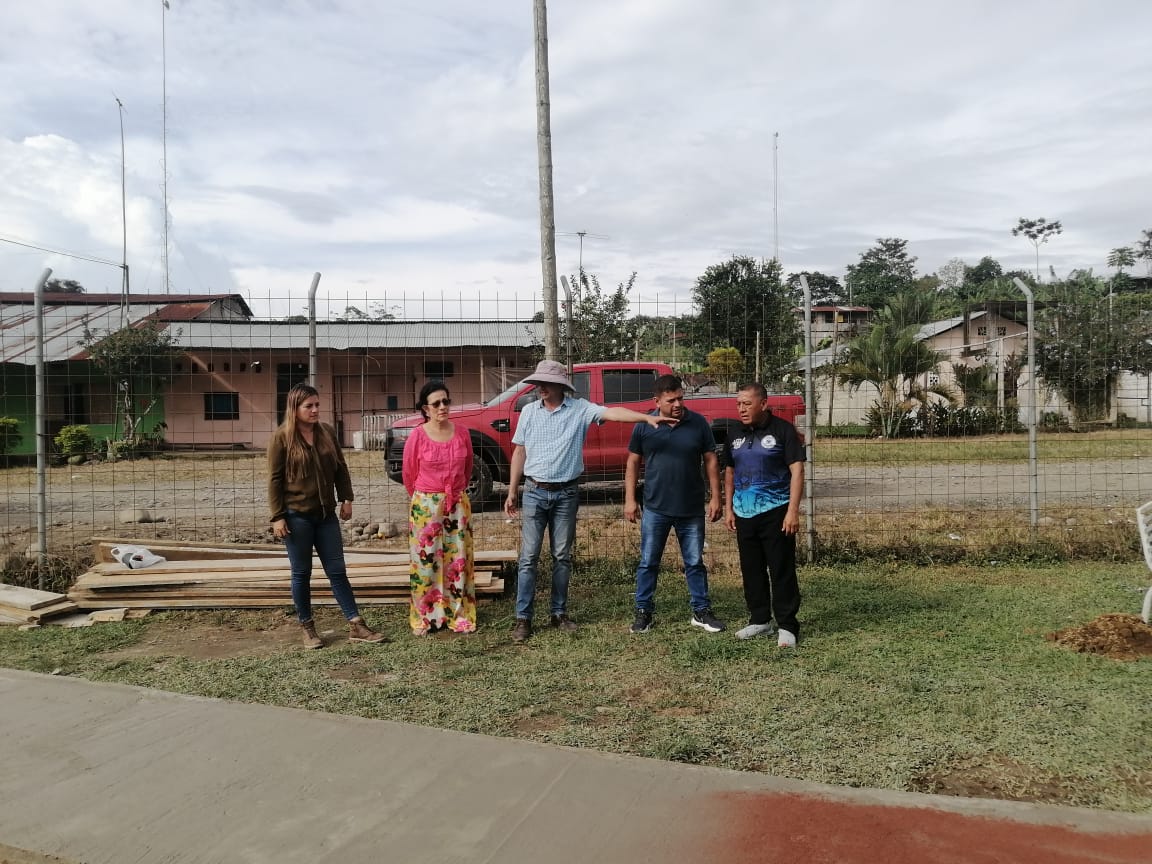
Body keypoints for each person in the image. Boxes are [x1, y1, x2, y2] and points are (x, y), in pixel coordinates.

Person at [503, 359, 678, 642]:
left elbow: (613, 413)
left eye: (546, 383)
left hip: (566, 493)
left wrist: (646, 418)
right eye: (537, 383)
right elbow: (519, 452)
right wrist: (513, 490)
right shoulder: (529, 413)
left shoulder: (580, 409)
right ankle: (523, 618)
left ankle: (559, 613)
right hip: (534, 491)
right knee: (528, 558)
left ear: (560, 386)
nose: (540, 388)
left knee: (562, 556)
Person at [268, 383, 386, 649]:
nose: (314, 410)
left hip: (326, 516)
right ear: (295, 408)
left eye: (317, 405)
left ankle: (356, 623)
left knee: (337, 570)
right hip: (296, 517)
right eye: (308, 406)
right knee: (301, 573)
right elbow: (274, 480)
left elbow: (341, 468)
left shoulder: (326, 433)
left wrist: (346, 499)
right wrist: (277, 516)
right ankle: (307, 627)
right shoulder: (281, 438)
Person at [624, 374, 726, 634]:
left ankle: (701, 611)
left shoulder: (698, 423)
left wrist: (716, 497)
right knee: (648, 562)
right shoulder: (645, 425)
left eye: (680, 398)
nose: (678, 404)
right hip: (655, 508)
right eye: (671, 401)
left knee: (694, 562)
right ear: (657, 401)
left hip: (691, 508)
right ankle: (644, 612)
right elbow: (633, 462)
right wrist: (630, 499)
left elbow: (711, 460)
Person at [722, 381, 805, 647]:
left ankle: (787, 625)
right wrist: (729, 508)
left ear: (763, 404)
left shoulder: (783, 430)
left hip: (776, 511)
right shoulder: (734, 433)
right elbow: (730, 472)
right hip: (744, 513)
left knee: (781, 569)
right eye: (738, 404)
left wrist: (792, 511)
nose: (741, 409)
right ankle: (759, 620)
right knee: (751, 569)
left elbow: (797, 471)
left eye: (747, 404)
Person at [402, 380, 477, 635]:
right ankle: (427, 615)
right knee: (426, 560)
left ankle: (458, 614)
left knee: (458, 559)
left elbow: (467, 468)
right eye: (436, 403)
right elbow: (409, 474)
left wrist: (455, 493)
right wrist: (427, 500)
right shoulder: (417, 436)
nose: (443, 407)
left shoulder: (462, 433)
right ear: (425, 408)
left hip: (457, 503)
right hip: (426, 505)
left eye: (446, 401)